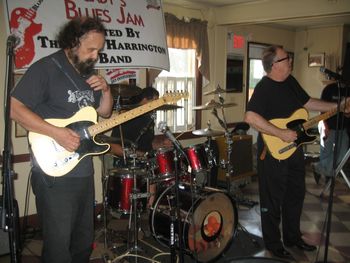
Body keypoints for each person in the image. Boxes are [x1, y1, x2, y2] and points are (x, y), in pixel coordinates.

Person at [10, 17, 113, 263]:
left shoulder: (89, 74)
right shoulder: (46, 68)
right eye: (91, 49)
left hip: (82, 171)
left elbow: (105, 113)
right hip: (53, 174)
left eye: (99, 50)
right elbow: (13, 108)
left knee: (82, 243)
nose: (95, 55)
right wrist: (55, 132)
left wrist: (107, 90)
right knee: (58, 249)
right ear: (73, 42)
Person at [244, 45, 350, 260]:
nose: (290, 61)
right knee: (272, 200)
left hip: (295, 150)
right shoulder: (264, 87)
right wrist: (280, 133)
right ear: (274, 65)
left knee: (295, 194)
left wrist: (337, 106)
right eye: (286, 59)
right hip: (273, 152)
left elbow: (308, 102)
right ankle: (274, 244)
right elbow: (250, 117)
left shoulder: (290, 81)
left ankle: (292, 237)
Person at [109, 86, 172, 206]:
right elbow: (112, 146)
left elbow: (149, 143)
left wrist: (162, 143)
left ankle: (150, 207)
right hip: (126, 162)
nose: (156, 106)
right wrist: (136, 154)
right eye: (155, 101)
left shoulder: (149, 118)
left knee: (157, 166)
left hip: (144, 161)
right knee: (149, 168)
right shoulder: (127, 117)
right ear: (145, 100)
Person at [312, 80, 350, 184]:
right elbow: (321, 109)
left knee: (342, 154)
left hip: (343, 128)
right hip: (327, 125)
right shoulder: (329, 89)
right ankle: (328, 175)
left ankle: (318, 167)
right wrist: (324, 125)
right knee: (326, 151)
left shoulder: (348, 90)